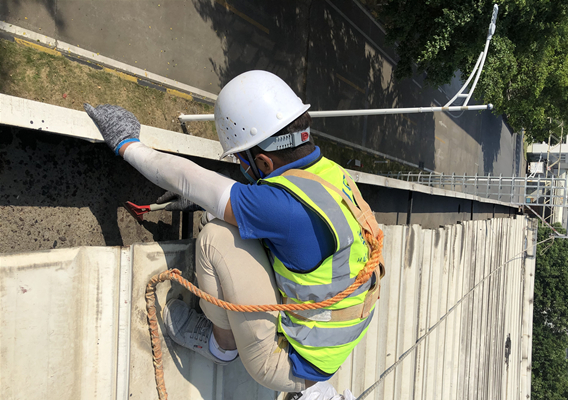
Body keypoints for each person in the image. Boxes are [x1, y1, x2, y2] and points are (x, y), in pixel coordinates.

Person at [84, 70, 383, 396]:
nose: (241, 166)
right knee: (229, 218)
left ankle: (221, 345)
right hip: (326, 343)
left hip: (288, 363)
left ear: (265, 164)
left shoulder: (283, 209)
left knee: (217, 237)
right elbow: (274, 214)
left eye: (243, 159)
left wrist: (127, 144)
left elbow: (186, 178)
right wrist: (210, 202)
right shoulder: (331, 175)